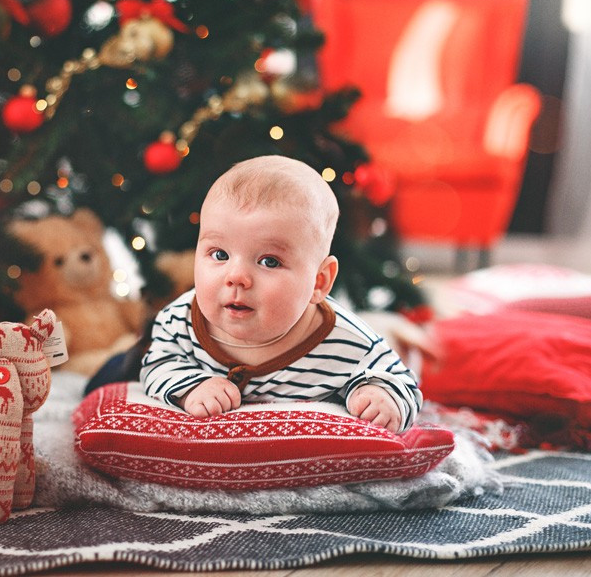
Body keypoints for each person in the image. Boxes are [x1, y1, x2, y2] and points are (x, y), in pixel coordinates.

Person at [140, 155, 422, 433]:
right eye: (220, 254)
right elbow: (156, 365)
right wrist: (190, 387)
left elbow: (403, 382)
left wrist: (380, 396)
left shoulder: (349, 342)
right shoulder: (180, 320)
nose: (236, 276)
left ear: (318, 282)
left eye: (269, 261)